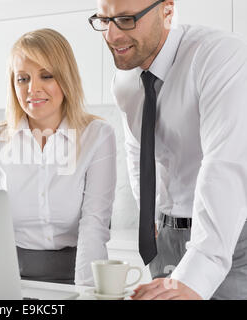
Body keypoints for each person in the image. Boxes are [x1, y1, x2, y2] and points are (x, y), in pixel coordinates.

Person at [89, 0, 247, 299]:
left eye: (125, 19)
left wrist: (199, 271)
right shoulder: (125, 80)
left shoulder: (219, 55)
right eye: (103, 20)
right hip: (165, 237)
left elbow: (224, 165)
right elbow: (137, 150)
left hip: (230, 238)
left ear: (167, 11)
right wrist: (151, 218)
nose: (111, 36)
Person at [0, 28, 117, 285]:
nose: (33, 89)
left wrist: (85, 290)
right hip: (8, 277)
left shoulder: (97, 136)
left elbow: (94, 223)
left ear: (66, 78)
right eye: (23, 78)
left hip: (77, 273)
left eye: (46, 76)